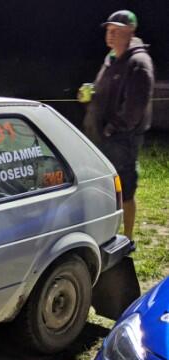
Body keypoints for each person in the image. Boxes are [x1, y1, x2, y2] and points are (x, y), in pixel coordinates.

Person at [81, 9, 154, 240]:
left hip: (122, 139)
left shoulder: (138, 63)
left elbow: (133, 110)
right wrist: (90, 95)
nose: (110, 35)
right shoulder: (111, 59)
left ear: (130, 32)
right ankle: (105, 233)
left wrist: (110, 130)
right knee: (104, 189)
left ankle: (129, 237)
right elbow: (104, 92)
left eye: (116, 31)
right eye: (108, 30)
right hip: (100, 137)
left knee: (126, 189)